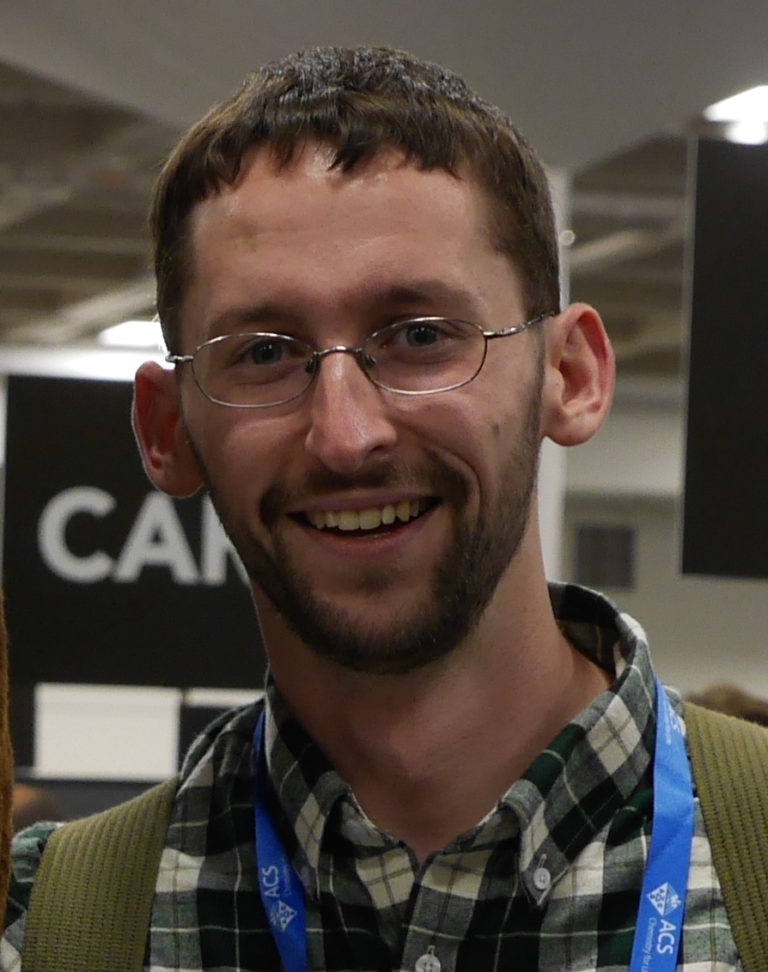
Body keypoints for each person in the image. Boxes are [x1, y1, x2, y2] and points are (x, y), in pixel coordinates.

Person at [1, 46, 743, 970]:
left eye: (422, 336)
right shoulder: (50, 934)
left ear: (571, 374)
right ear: (166, 429)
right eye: (265, 353)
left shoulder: (742, 868)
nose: (346, 436)